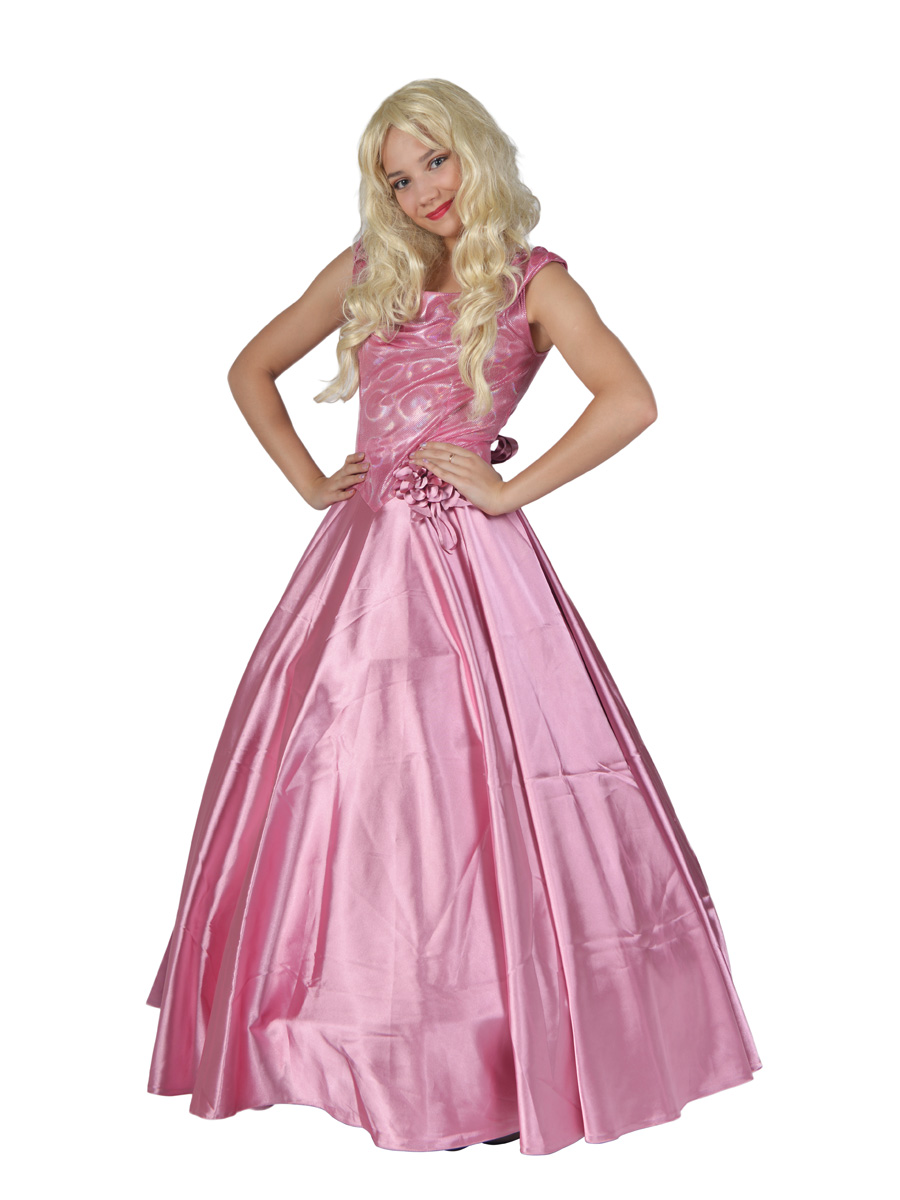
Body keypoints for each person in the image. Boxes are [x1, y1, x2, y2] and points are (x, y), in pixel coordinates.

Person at [145, 78, 762, 1156]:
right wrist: (309, 480)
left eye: (436, 160)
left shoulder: (534, 282)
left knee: (486, 785)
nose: (423, 190)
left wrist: (510, 489)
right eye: (399, 177)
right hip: (358, 565)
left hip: (472, 564)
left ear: (476, 151)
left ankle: (493, 1054)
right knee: (350, 785)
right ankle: (355, 1040)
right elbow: (250, 369)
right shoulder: (367, 270)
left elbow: (631, 399)